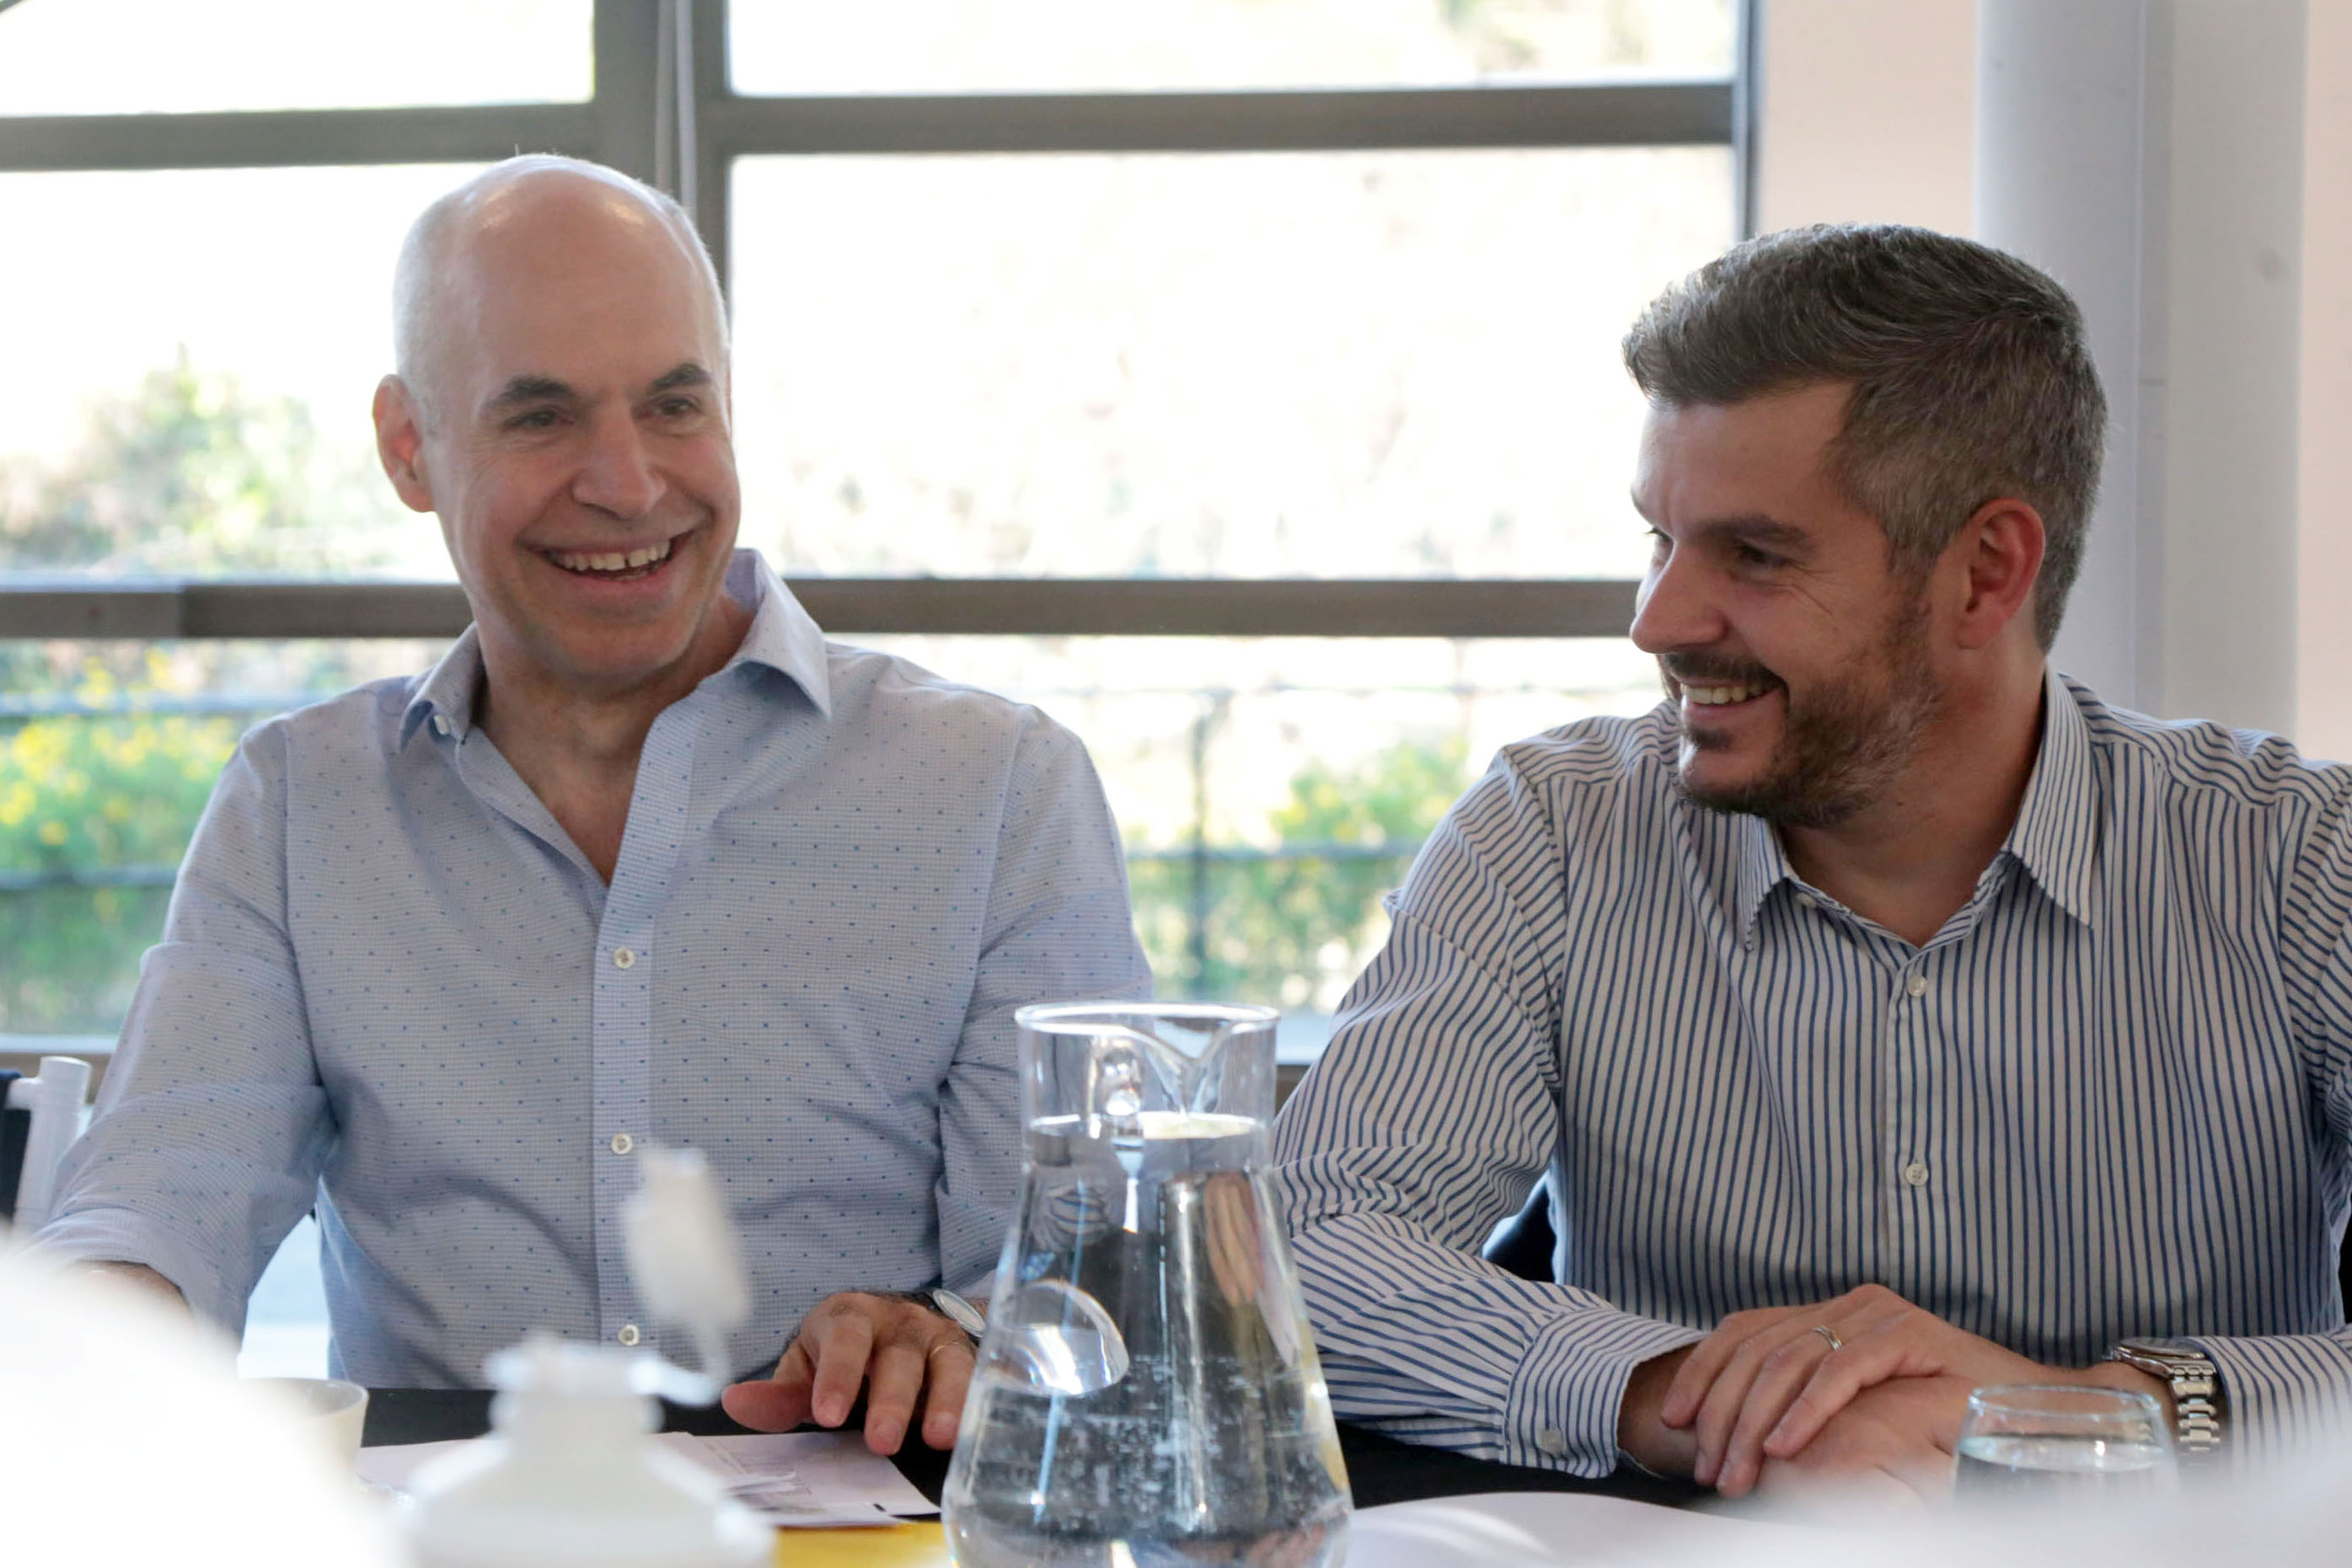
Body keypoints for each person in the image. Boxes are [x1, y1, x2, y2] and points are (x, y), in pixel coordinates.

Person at [36, 156, 1153, 1456]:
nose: (627, 483)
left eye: (675, 405)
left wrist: (952, 1332)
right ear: (409, 447)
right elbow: (160, 1197)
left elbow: (1097, 1283)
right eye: (541, 416)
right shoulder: (298, 807)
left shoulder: (1000, 792)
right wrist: (82, 1357)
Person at [1270, 223, 2352, 1501]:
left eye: (1756, 556)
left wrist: (2096, 1415)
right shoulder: (1552, 831)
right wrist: (1708, 1400)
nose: (1658, 622)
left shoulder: (2297, 858)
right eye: (1659, 539)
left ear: (1984, 573)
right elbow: (1304, 1252)